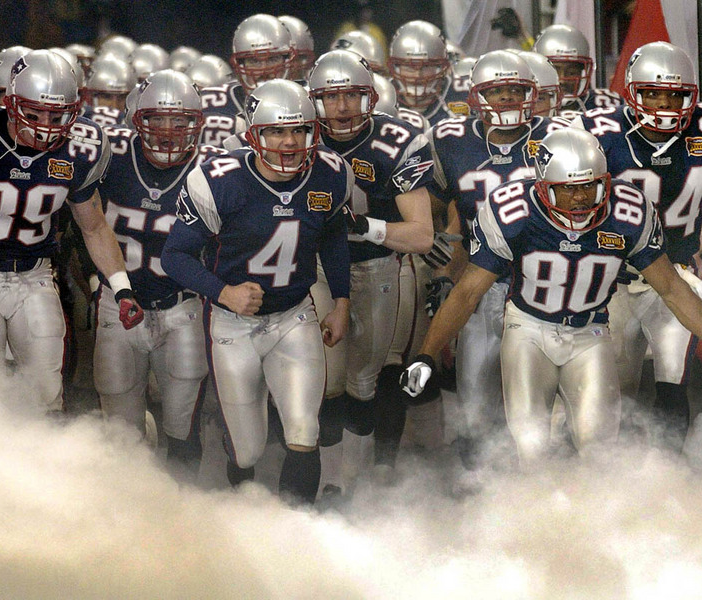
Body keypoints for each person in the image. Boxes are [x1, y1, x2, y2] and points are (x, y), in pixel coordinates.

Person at [402, 128, 702, 468]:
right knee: (532, 446)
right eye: (568, 190)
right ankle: (536, 520)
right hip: (529, 330)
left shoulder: (626, 213)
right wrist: (426, 356)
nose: (582, 198)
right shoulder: (513, 212)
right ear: (542, 187)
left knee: (599, 449)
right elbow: (467, 293)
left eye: (591, 185)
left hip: (590, 333)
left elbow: (672, 288)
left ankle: (592, 522)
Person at [0, 49, 144, 413]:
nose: (46, 125)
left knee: (45, 389)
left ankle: (38, 464)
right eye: (35, 113)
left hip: (35, 275)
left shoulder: (83, 147)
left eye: (58, 115)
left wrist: (122, 288)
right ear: (10, 102)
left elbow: (95, 227)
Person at [160, 79, 352, 505]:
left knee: (304, 428)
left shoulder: (332, 172)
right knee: (247, 449)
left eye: (299, 130)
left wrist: (341, 301)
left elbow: (334, 237)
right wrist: (223, 292)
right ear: (253, 135)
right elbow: (174, 257)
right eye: (276, 131)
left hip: (294, 316)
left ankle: (295, 530)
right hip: (234, 324)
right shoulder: (218, 179)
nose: (289, 141)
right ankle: (248, 520)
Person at [573, 41, 702, 451]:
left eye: (676, 94)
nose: (665, 103)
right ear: (632, 90)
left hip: (677, 272)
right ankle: (610, 479)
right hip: (612, 279)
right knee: (614, 387)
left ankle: (668, 474)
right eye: (653, 92)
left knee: (673, 379)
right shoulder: (597, 131)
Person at [306, 49, 434, 489]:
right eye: (331, 97)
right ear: (313, 100)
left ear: (373, 97)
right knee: (325, 380)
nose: (342, 108)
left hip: (377, 268)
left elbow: (421, 236)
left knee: (364, 382)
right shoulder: (295, 134)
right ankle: (327, 482)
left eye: (353, 96)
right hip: (316, 271)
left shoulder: (396, 140)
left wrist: (365, 226)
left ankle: (352, 484)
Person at [427, 49, 555, 471]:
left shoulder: (558, 137)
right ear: (476, 96)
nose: (505, 100)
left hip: (544, 289)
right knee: (475, 406)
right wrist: (443, 273)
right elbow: (443, 218)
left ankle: (546, 495)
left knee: (541, 408)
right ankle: (481, 500)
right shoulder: (448, 139)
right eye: (495, 91)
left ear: (531, 93)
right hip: (480, 287)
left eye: (514, 90)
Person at [95, 70, 224, 477]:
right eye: (157, 119)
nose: (168, 132)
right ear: (136, 120)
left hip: (183, 308)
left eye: (180, 121)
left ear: (197, 123)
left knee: (182, 427)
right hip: (118, 305)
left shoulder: (216, 169)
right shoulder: (109, 157)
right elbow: (80, 227)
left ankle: (181, 510)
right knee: (119, 433)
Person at [198, 13, 295, 148]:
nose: (264, 70)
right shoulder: (210, 103)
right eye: (254, 61)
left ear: (287, 60)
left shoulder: (305, 101)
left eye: (272, 59)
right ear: (240, 64)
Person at [533, 24, 621, 116]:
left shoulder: (604, 104)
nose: (562, 79)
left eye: (571, 72)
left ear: (583, 71)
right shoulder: (525, 106)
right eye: (555, 72)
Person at [387, 20, 456, 127]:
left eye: (427, 66)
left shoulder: (458, 94)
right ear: (396, 67)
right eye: (409, 67)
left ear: (441, 67)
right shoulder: (383, 96)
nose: (417, 76)